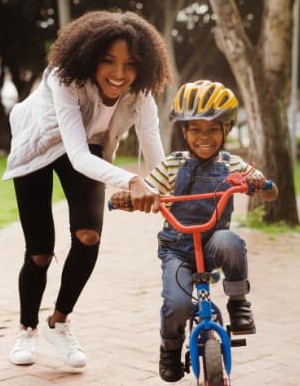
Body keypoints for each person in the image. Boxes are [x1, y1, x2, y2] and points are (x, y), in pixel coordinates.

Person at [3, 10, 171, 368]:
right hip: (38, 146)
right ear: (90, 57)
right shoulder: (63, 79)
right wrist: (132, 180)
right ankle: (27, 328)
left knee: (89, 235)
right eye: (108, 61)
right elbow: (77, 156)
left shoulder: (140, 94)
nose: (120, 74)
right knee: (40, 253)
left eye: (130, 64)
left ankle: (58, 323)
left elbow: (152, 142)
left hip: (87, 146)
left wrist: (166, 187)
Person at [109, 80, 278, 382]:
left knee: (232, 240)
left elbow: (271, 192)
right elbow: (148, 189)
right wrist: (130, 197)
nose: (204, 137)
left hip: (213, 243)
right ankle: (170, 349)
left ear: (227, 129)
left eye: (212, 129)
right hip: (178, 248)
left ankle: (238, 302)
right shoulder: (173, 165)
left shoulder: (232, 165)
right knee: (176, 304)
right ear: (184, 131)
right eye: (195, 129)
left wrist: (259, 184)